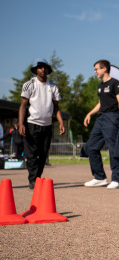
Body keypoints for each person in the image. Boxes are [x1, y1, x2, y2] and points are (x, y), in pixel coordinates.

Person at [83, 59, 119, 189]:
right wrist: (90, 113)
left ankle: (116, 179)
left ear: (104, 69)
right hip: (101, 119)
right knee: (91, 146)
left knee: (113, 148)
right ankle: (99, 177)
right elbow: (100, 104)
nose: (95, 71)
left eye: (96, 69)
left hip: (112, 117)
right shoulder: (100, 86)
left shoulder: (115, 83)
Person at [19, 59, 65, 190]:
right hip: (31, 124)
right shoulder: (29, 84)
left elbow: (56, 107)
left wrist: (61, 122)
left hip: (47, 125)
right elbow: (23, 106)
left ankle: (37, 178)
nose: (43, 70)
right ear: (36, 70)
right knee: (32, 154)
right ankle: (32, 181)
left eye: (45, 67)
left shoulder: (53, 87)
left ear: (48, 70)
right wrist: (21, 123)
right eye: (40, 67)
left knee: (43, 154)